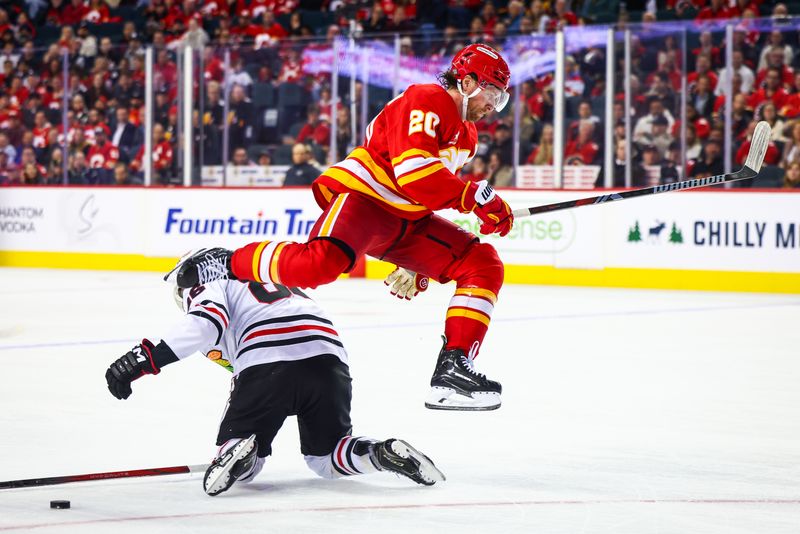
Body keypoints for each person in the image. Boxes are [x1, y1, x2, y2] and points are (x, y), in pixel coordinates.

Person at [172, 44, 514, 411]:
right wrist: (478, 199)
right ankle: (226, 262)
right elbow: (415, 174)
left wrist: (419, 260)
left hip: (407, 221)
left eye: (501, 97)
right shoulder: (428, 99)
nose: (494, 105)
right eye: (492, 92)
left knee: (482, 264)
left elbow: (431, 193)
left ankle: (453, 367)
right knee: (318, 266)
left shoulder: (468, 136)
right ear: (466, 82)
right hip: (365, 200)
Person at [105, 251, 445, 497]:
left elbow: (205, 326)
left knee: (244, 469)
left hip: (266, 358)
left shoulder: (207, 281)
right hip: (329, 359)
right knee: (326, 458)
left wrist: (141, 360)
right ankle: (380, 453)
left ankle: (241, 447)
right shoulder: (271, 277)